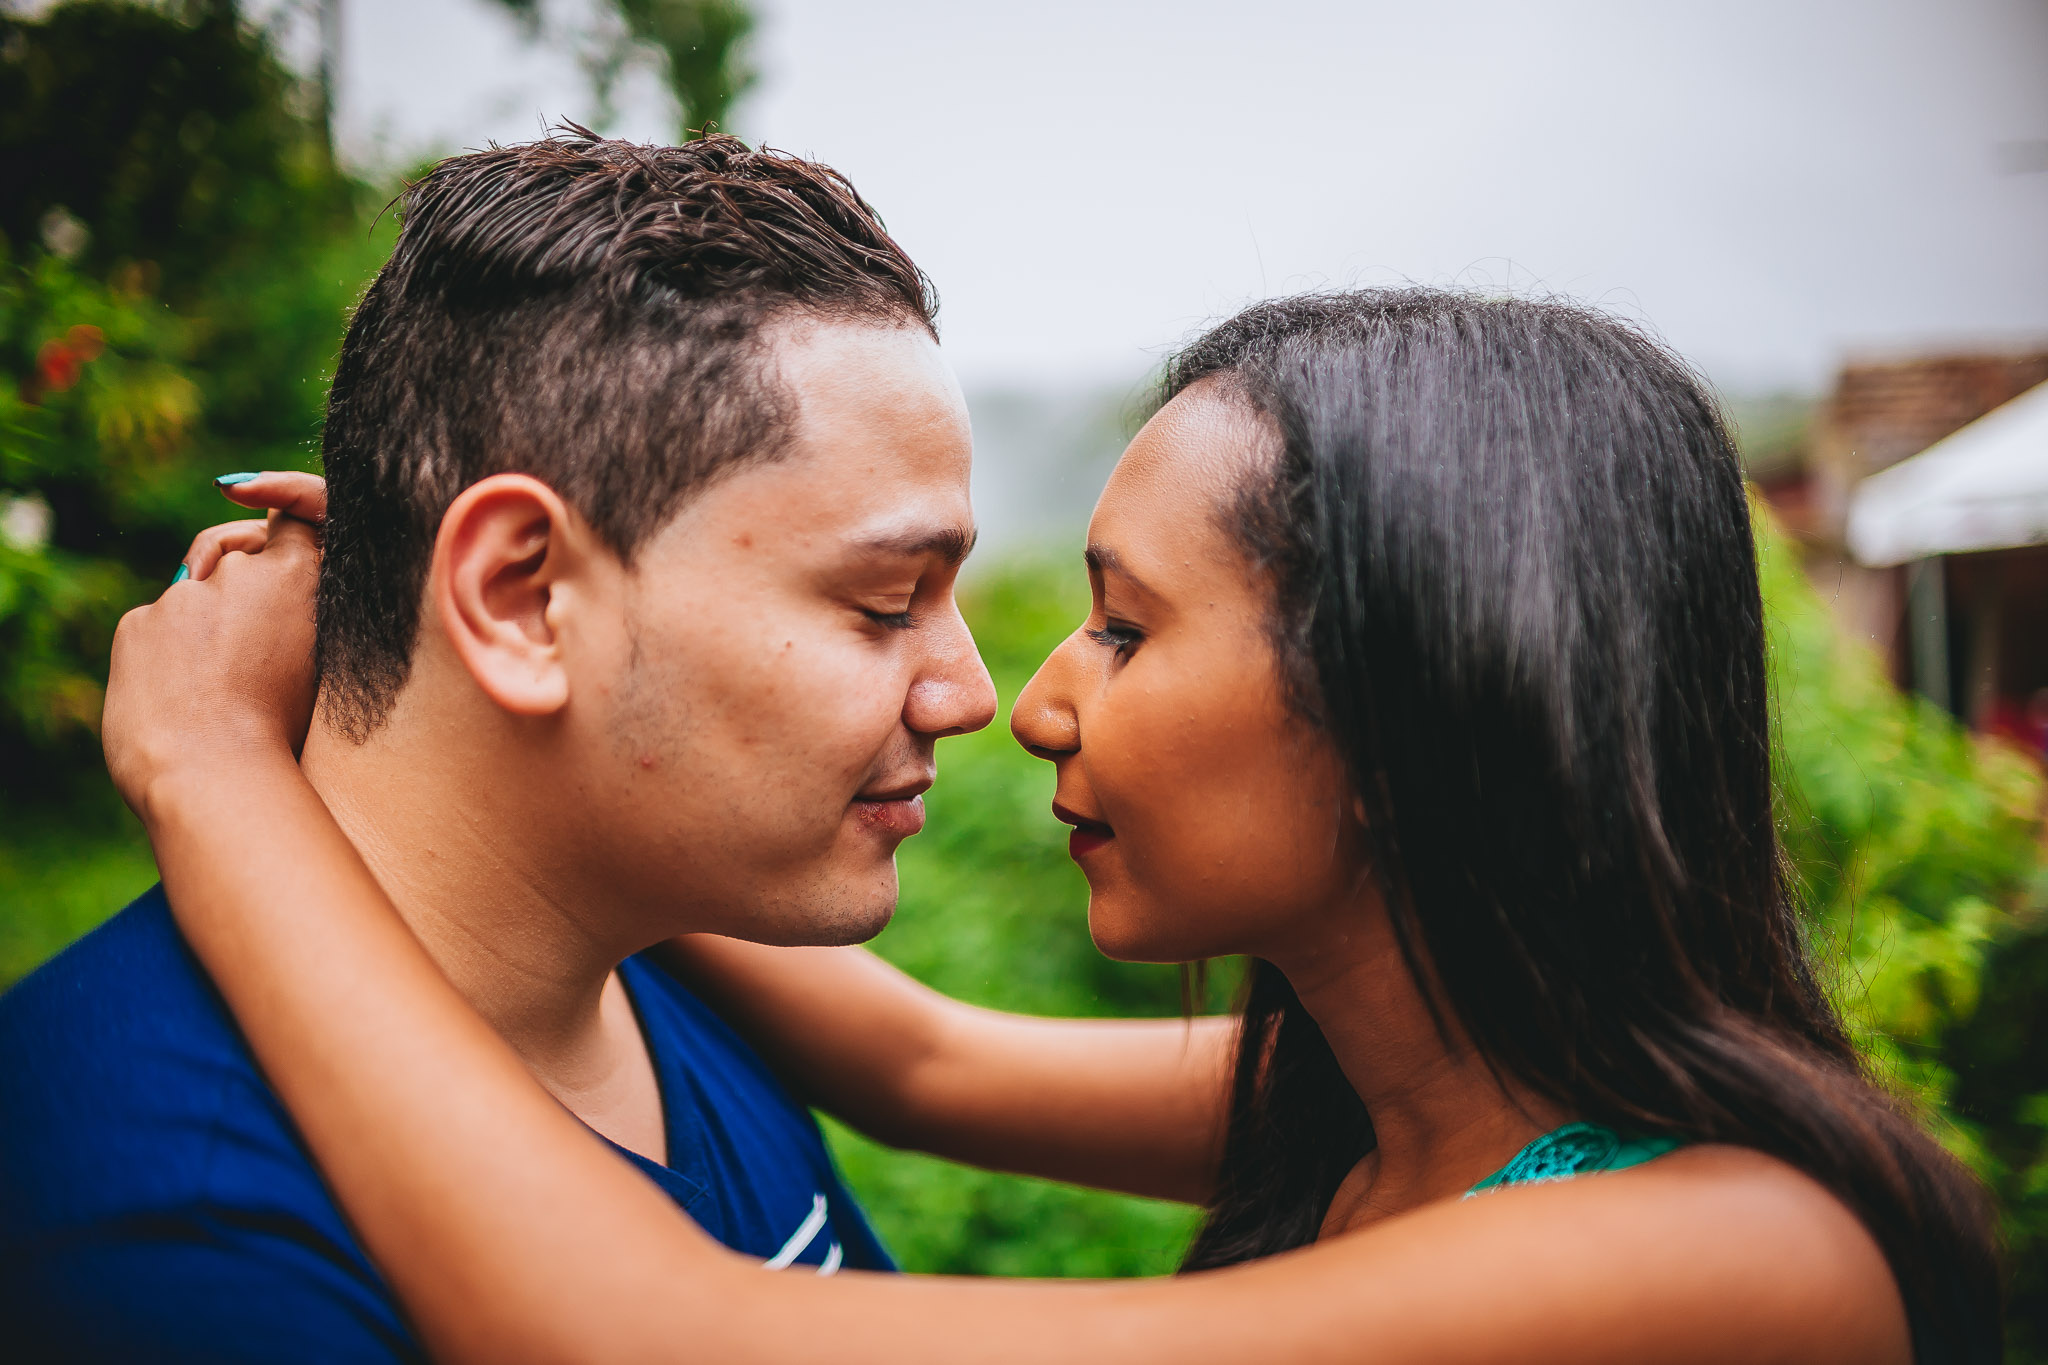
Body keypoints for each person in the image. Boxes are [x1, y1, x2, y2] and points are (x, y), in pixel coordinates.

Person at [99, 288, 2001, 1364]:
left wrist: (217, 771)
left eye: (1124, 623)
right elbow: (914, 1056)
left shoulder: (1728, 1257)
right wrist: (496, 659)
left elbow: (652, 1335)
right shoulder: (1389, 1096)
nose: (1031, 699)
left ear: (1420, 696)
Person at [0, 130, 1234, 1360]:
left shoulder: (655, 940)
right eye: (880, 604)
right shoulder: (177, 1247)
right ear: (522, 598)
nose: (972, 695)